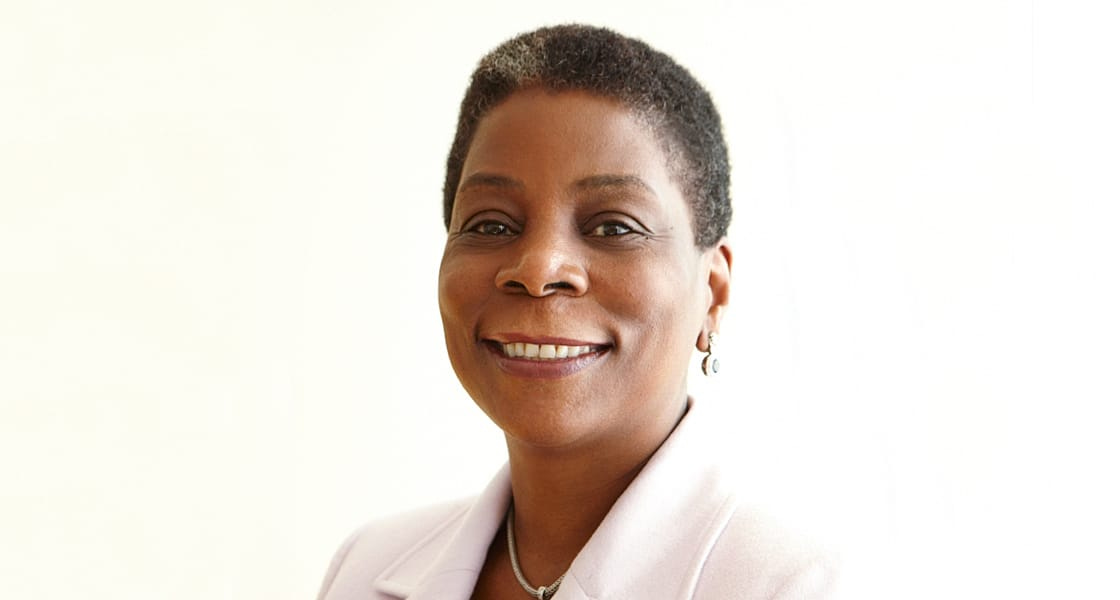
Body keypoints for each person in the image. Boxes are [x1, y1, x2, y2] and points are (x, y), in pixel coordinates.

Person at [318, 24, 835, 600]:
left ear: (712, 293)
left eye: (614, 226)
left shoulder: (797, 585)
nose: (539, 270)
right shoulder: (365, 567)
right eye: (492, 224)